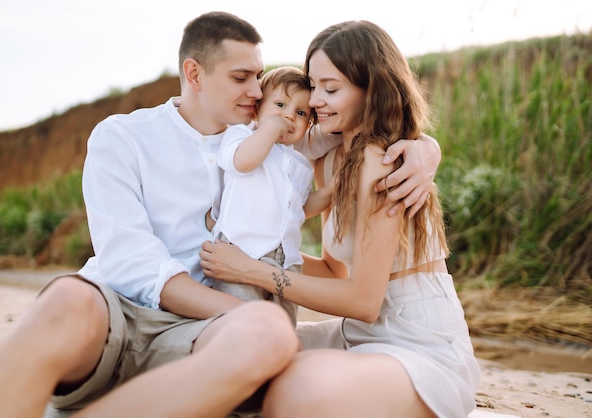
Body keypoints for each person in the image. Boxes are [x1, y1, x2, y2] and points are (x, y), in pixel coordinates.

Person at [0, 12, 441, 418]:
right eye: (241, 79)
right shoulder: (124, 136)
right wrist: (245, 298)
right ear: (194, 74)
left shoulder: (275, 140)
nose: (257, 91)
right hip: (125, 311)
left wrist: (423, 149)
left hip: (206, 335)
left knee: (269, 335)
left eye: (260, 77)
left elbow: (370, 124)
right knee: (68, 301)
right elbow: (129, 259)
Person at [200, 20, 481, 418]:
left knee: (299, 389)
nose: (316, 101)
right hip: (355, 334)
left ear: (373, 90)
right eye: (314, 86)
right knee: (234, 349)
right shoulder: (331, 159)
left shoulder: (385, 161)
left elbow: (364, 301)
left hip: (418, 343)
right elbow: (335, 272)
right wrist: (252, 253)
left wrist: (253, 272)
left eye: (331, 89)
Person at [210, 66, 333, 326]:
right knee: (242, 324)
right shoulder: (243, 135)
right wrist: (269, 128)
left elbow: (299, 209)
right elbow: (243, 162)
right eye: (280, 105)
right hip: (241, 252)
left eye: (301, 113)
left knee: (283, 326)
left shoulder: (299, 161)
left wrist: (329, 193)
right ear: (256, 110)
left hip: (286, 262)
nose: (289, 116)